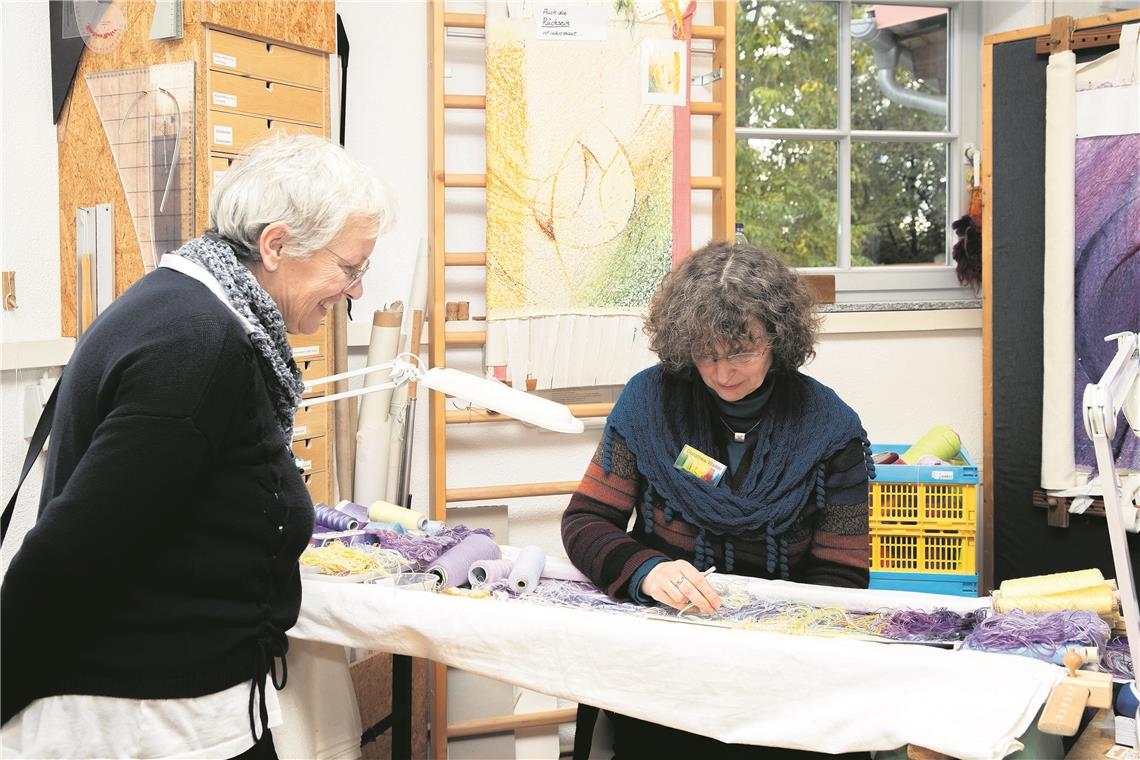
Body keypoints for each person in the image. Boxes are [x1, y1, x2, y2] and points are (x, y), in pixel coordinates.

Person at [0, 135, 392, 759]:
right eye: (350, 268)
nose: (355, 291)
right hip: (146, 725)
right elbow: (72, 551)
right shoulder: (198, 346)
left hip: (176, 706)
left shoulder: (189, 309)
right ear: (276, 244)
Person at [563, 241, 873, 759]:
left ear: (778, 338)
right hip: (665, 656)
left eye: (743, 352)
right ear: (685, 346)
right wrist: (647, 572)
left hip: (781, 667)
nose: (724, 373)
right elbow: (587, 521)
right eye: (708, 355)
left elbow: (842, 571)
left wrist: (777, 642)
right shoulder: (649, 405)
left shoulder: (830, 429)